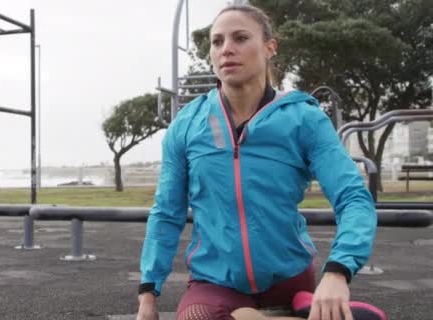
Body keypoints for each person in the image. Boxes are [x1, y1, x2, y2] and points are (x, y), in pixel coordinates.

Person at [136, 4, 386, 320]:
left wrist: (338, 272)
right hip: (215, 280)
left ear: (270, 47)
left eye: (240, 38)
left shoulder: (304, 119)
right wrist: (148, 293)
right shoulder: (187, 124)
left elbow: (353, 198)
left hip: (288, 278)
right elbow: (166, 213)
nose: (226, 49)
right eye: (217, 41)